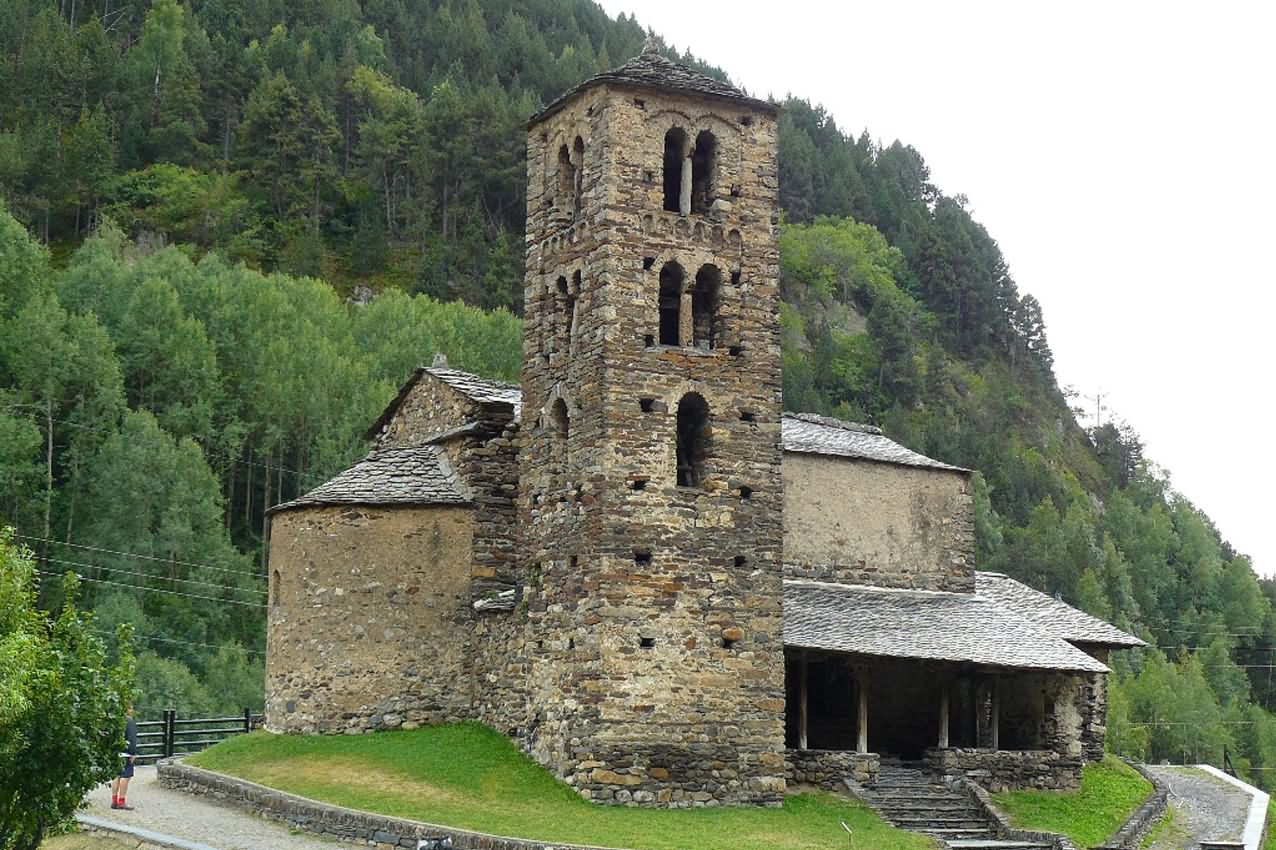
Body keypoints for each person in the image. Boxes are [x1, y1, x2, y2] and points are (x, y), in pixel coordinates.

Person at [111, 704, 137, 810]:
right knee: (125, 777)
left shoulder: (114, 720)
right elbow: (132, 738)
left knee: (116, 776)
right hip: (126, 753)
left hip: (115, 752)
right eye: (130, 708)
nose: (132, 710)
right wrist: (133, 753)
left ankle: (114, 801)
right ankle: (121, 801)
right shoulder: (129, 721)